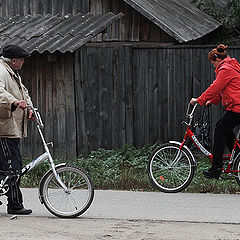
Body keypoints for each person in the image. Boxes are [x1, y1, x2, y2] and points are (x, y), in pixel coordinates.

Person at [190, 44, 240, 179]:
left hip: (237, 107)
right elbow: (223, 90)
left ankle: (216, 168)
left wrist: (199, 100)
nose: (213, 66)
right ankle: (238, 159)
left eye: (213, 63)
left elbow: (214, 88)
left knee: (219, 130)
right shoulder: (231, 66)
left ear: (217, 60)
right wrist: (211, 101)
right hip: (236, 107)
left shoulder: (226, 69)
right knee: (225, 130)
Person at [0, 45, 35, 215]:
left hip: (11, 127)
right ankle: (14, 204)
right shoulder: (1, 71)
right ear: (14, 60)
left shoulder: (13, 74)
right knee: (13, 167)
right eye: (22, 59)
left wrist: (29, 107)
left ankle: (13, 201)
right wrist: (14, 102)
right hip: (3, 128)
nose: (23, 62)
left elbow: (24, 93)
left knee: (8, 166)